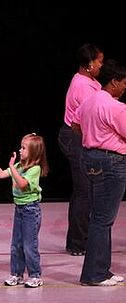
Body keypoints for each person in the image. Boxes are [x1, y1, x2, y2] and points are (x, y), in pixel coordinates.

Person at [78, 59, 126, 287]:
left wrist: (95, 135)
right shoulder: (115, 107)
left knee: (99, 217)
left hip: (90, 158)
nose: (125, 87)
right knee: (102, 219)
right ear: (114, 82)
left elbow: (74, 124)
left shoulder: (90, 101)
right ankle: (95, 273)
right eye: (123, 83)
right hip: (110, 162)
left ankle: (101, 270)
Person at [58, 43, 104, 256]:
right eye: (99, 62)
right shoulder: (84, 86)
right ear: (89, 64)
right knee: (84, 192)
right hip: (74, 138)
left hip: (76, 137)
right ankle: (78, 243)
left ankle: (77, 241)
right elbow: (91, 115)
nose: (101, 65)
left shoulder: (88, 81)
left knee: (84, 191)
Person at [0, 134, 49, 288]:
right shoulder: (19, 166)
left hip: (31, 210)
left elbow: (22, 184)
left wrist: (12, 167)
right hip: (19, 209)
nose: (20, 150)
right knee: (16, 244)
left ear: (34, 152)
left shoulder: (35, 169)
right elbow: (1, 174)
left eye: (24, 148)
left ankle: (35, 275)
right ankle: (16, 274)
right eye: (21, 147)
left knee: (30, 245)